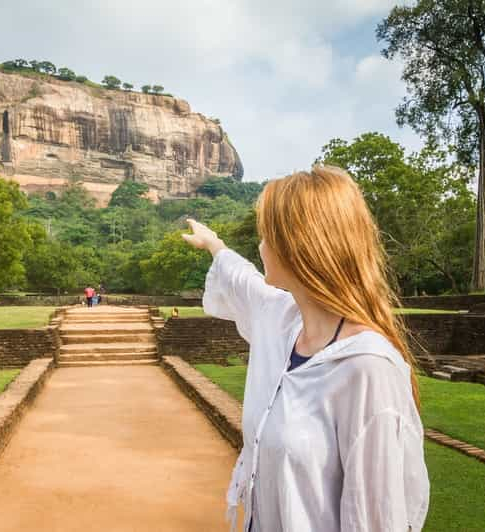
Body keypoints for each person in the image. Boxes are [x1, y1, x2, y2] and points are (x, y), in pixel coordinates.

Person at [182, 166, 429, 532]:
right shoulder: (283, 320)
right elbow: (241, 278)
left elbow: (376, 518)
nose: (261, 247)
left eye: (266, 236)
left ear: (297, 246)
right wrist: (214, 244)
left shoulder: (366, 368)